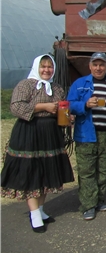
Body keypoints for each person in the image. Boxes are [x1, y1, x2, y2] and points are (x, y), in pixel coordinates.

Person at [1, 54, 74, 233]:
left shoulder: (56, 88)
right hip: (30, 131)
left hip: (50, 133)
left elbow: (61, 110)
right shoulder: (26, 85)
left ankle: (41, 209)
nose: (47, 70)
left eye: (50, 67)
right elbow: (16, 106)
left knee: (46, 170)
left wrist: (67, 117)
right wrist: (43, 107)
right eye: (43, 67)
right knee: (32, 171)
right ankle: (33, 213)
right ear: (37, 67)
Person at [67, 52, 106, 220]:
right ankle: (88, 205)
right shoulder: (80, 84)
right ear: (90, 66)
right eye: (95, 65)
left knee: (105, 170)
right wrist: (84, 104)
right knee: (87, 170)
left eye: (102, 65)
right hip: (87, 134)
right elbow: (69, 105)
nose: (98, 68)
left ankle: (99, 199)